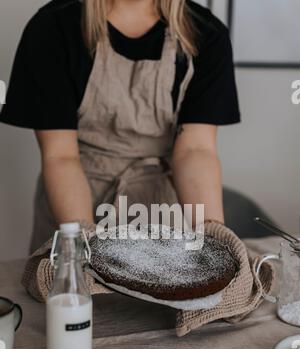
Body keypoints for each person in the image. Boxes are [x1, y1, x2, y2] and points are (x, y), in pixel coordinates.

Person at [0, 0, 241, 252]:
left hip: (161, 210)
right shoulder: (54, 27)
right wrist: (83, 250)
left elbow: (196, 151)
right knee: (76, 284)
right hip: (75, 200)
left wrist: (215, 244)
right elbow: (60, 156)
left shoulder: (205, 34)